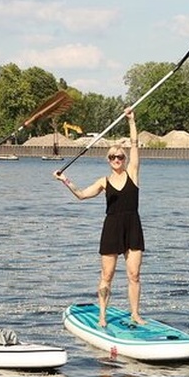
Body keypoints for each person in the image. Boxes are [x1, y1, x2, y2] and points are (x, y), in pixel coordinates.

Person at [53, 109, 144, 328]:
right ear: (108, 160)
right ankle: (102, 315)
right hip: (112, 227)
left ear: (125, 159)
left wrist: (131, 121)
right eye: (112, 157)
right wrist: (65, 180)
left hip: (132, 226)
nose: (116, 159)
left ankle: (135, 314)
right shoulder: (104, 181)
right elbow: (82, 195)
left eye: (120, 157)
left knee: (134, 274)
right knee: (107, 274)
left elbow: (134, 143)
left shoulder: (132, 173)